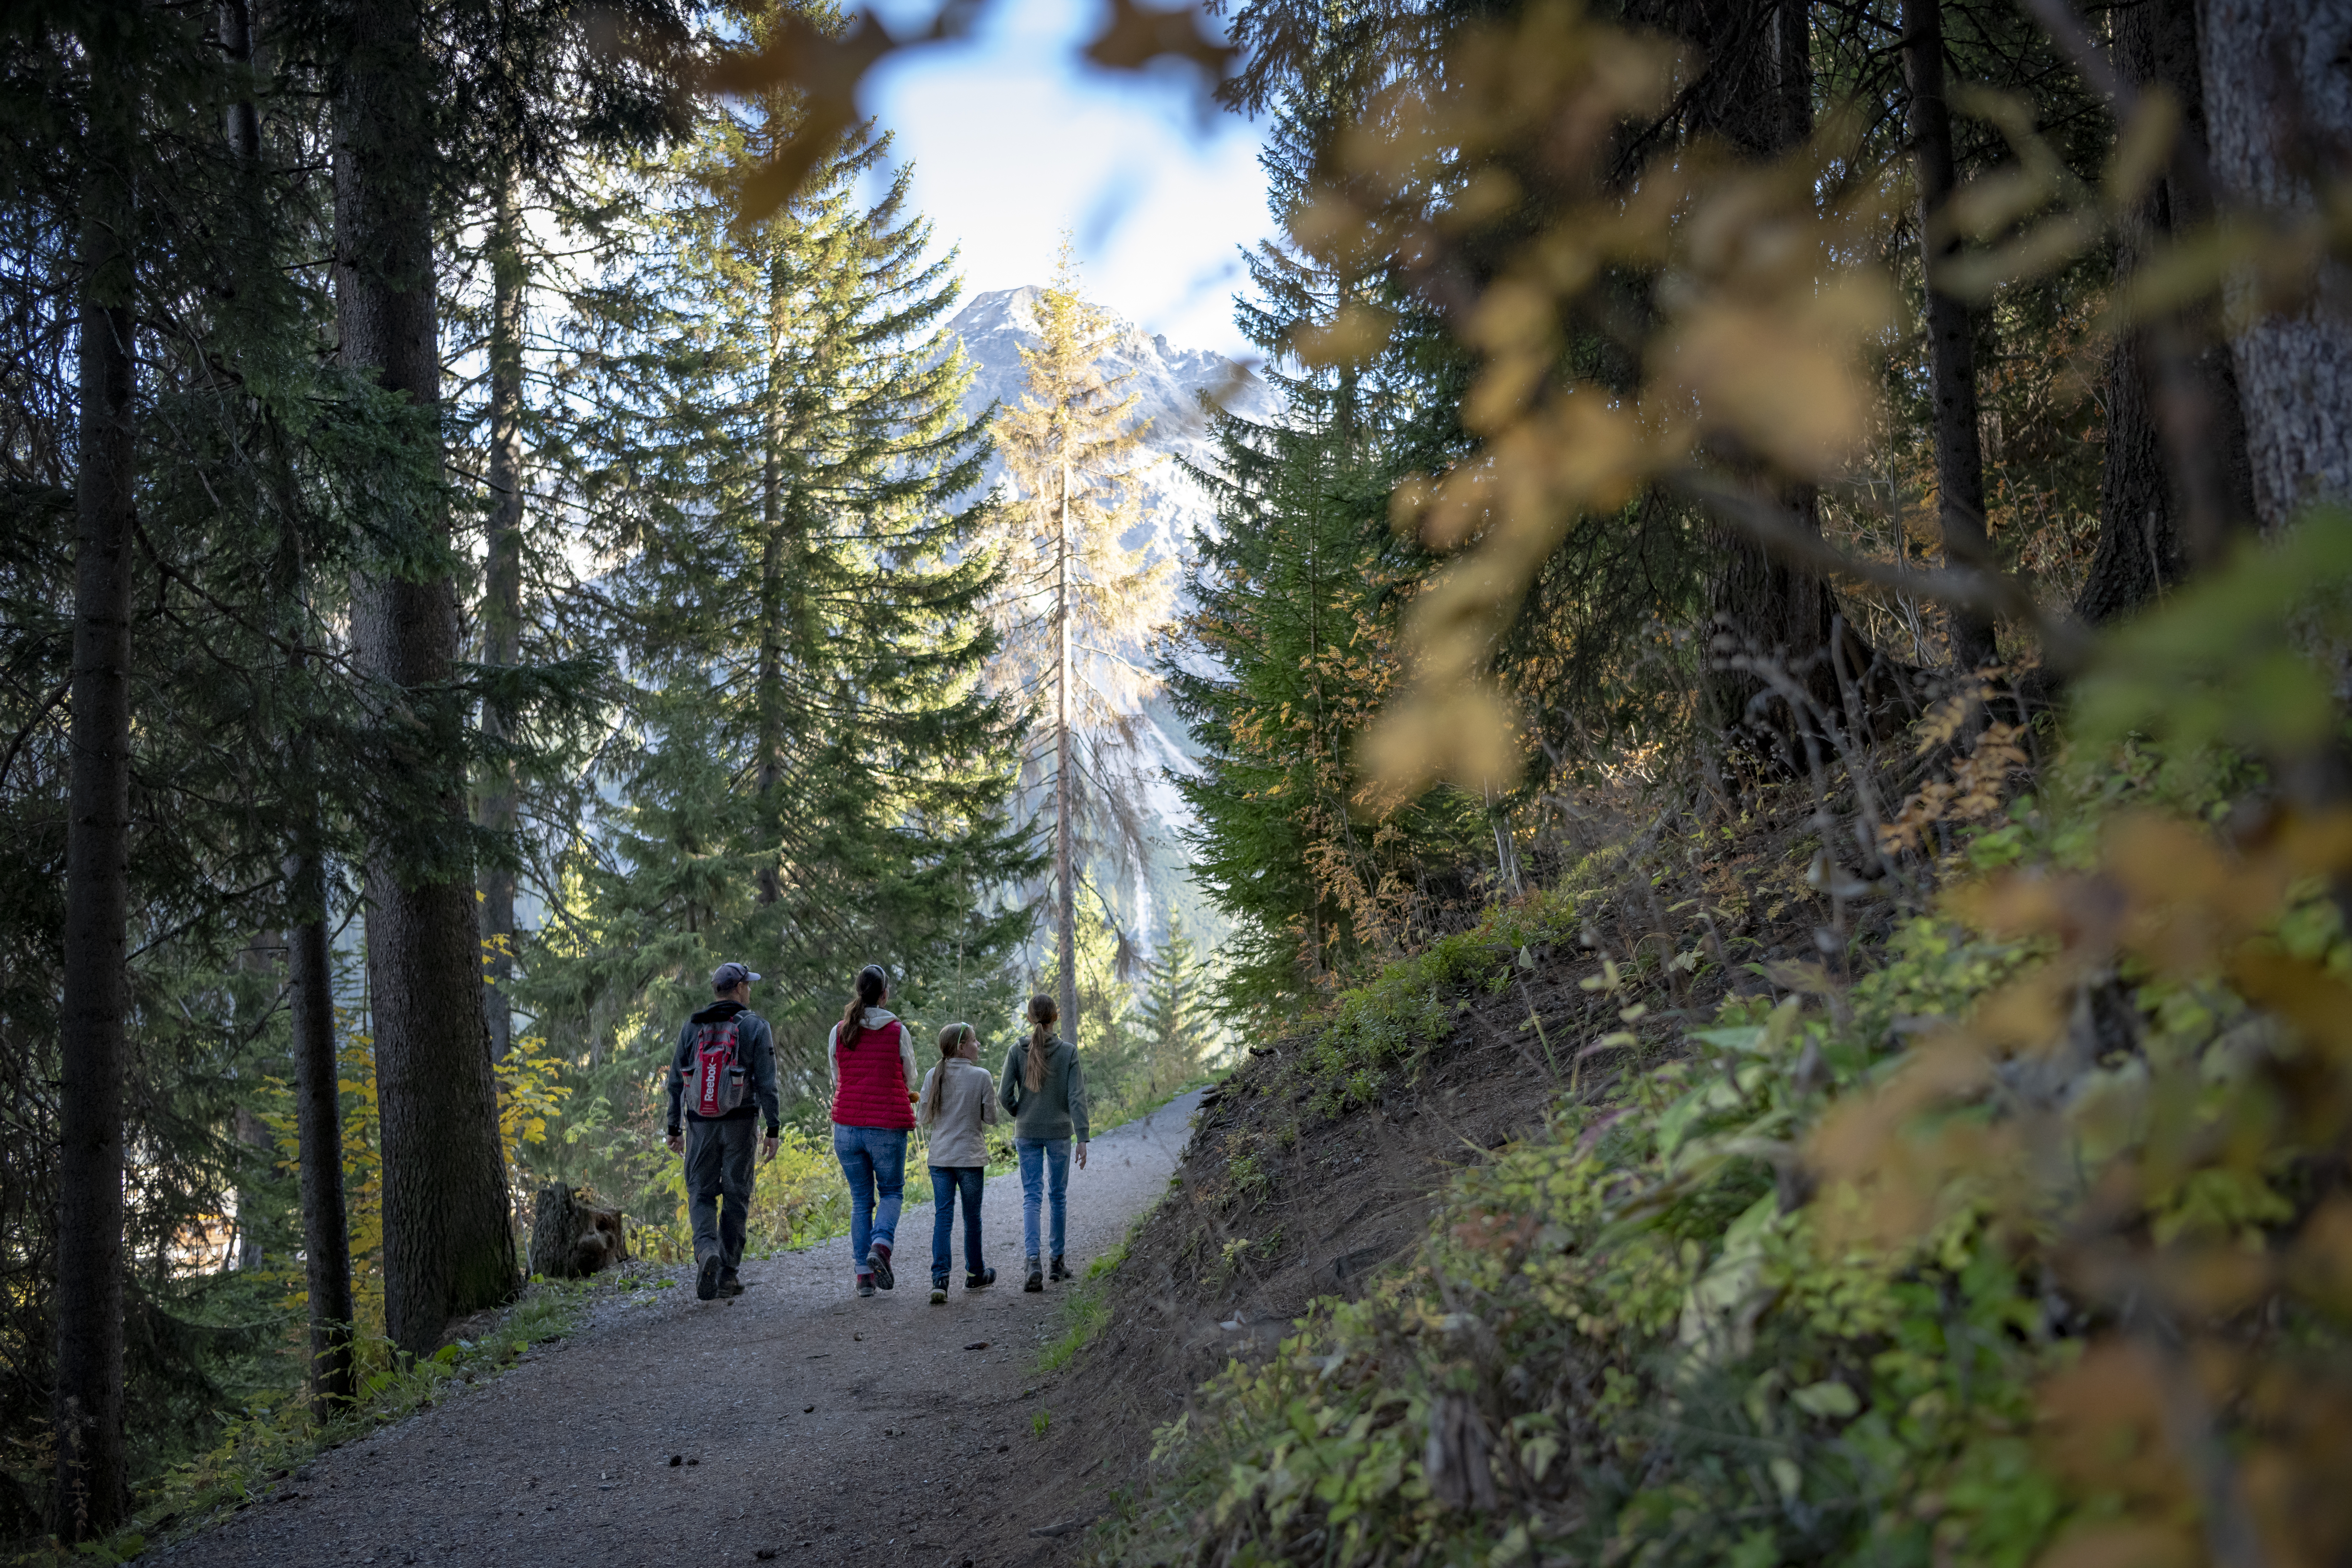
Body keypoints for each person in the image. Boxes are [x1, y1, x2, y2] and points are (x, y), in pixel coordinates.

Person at [664, 961, 781, 1302]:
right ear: (740, 988)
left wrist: (673, 1127)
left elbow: (675, 1082)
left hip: (699, 1125)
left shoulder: (693, 1026)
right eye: (748, 985)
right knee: (735, 1196)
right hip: (741, 1125)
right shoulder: (756, 1026)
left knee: (700, 1193)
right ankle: (727, 1275)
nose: (750, 990)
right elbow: (768, 1084)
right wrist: (773, 1129)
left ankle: (705, 1251)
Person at [829, 963, 920, 1297]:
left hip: (847, 1127)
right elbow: (909, 1076)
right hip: (886, 1124)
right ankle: (881, 1246)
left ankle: (863, 1278)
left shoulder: (839, 1030)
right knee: (892, 1191)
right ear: (884, 995)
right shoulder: (897, 1030)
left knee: (860, 1200)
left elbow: (838, 1078)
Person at [999, 994, 1089, 1293]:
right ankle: (1057, 1263)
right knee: (1058, 1196)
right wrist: (1083, 1137)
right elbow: (1076, 1098)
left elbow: (1004, 1096)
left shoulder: (1016, 1050)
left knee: (1032, 1197)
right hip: (1059, 1132)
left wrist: (1020, 1113)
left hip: (1026, 1131)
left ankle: (1033, 1261)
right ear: (1055, 1017)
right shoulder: (1068, 1052)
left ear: (1029, 1018)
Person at [915, 1021, 1000, 1304]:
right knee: (971, 1218)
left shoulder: (932, 1075)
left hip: (940, 1157)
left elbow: (923, 1118)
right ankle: (975, 1275)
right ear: (961, 1047)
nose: (979, 1046)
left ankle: (940, 1279)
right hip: (970, 1157)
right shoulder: (981, 1076)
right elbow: (991, 1118)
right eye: (975, 1041)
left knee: (943, 1217)